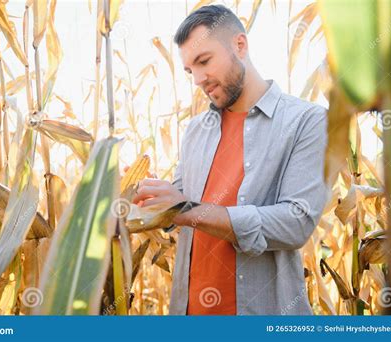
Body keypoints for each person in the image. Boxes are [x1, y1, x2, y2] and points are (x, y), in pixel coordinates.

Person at [132, 4, 329, 315]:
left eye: (204, 61)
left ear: (240, 45)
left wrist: (185, 210)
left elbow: (296, 223)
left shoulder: (307, 121)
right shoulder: (197, 129)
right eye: (189, 70)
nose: (197, 78)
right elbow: (176, 207)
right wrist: (133, 202)